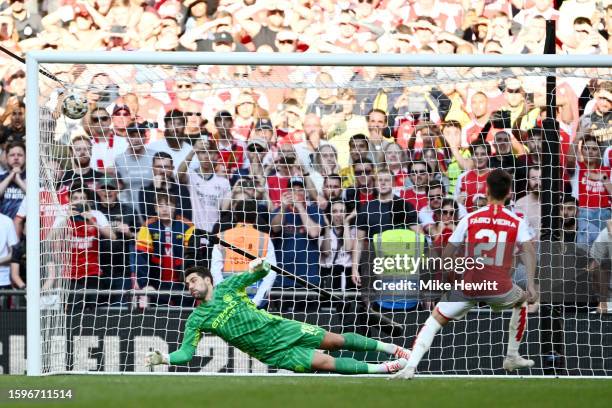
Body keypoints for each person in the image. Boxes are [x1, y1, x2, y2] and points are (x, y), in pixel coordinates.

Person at [145, 259, 410, 374]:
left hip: (281, 328)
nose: (190, 286)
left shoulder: (228, 285)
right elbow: (186, 353)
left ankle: (393, 349)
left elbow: (262, 272)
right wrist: (165, 358)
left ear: (207, 279)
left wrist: (258, 265)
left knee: (336, 341)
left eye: (193, 280)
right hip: (272, 353)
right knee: (327, 363)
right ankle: (383, 368)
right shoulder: (196, 319)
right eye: (187, 284)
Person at [393, 169, 537, 379]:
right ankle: (512, 355)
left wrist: (450, 277)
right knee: (522, 301)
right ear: (509, 194)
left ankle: (410, 367)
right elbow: (529, 251)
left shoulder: (470, 218)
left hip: (469, 287)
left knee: (433, 322)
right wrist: (531, 284)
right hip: (500, 289)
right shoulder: (516, 222)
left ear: (486, 190)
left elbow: (446, 255)